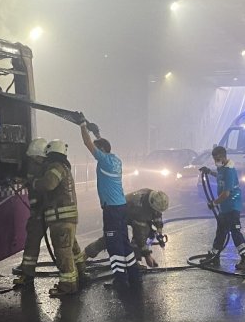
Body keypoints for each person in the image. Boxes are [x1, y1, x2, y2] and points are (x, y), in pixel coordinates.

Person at [80, 120, 141, 288]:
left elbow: (87, 143)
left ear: (103, 150)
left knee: (114, 245)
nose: (95, 153)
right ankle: (134, 275)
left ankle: (120, 280)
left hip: (112, 210)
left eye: (98, 149)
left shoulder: (104, 160)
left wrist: (82, 126)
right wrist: (97, 133)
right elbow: (103, 145)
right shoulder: (116, 160)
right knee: (124, 242)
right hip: (121, 207)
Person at [31, 139, 86, 297]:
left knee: (63, 252)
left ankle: (68, 286)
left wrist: (34, 183)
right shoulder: (64, 167)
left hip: (60, 219)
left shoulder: (55, 167)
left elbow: (48, 184)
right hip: (66, 218)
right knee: (72, 249)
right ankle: (82, 273)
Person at [199, 145, 245, 270]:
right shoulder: (223, 168)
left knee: (235, 232)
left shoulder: (229, 170)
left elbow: (226, 193)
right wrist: (209, 172)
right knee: (221, 231)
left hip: (232, 206)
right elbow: (219, 176)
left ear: (224, 157)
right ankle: (214, 256)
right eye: (214, 159)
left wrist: (214, 203)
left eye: (218, 159)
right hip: (225, 207)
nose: (216, 162)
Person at [84, 189, 170, 268]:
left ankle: (134, 260)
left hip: (130, 213)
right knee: (111, 238)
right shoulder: (139, 208)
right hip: (117, 214)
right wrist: (147, 256)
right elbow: (140, 236)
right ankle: (85, 255)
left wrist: (159, 228)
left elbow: (156, 213)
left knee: (145, 231)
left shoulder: (153, 197)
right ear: (151, 204)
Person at [12, 137, 50, 288]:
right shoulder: (38, 166)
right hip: (41, 211)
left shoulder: (46, 168)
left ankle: (27, 274)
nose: (32, 159)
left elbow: (42, 186)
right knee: (65, 241)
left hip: (43, 211)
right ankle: (78, 268)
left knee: (34, 240)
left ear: (41, 155)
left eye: (34, 157)